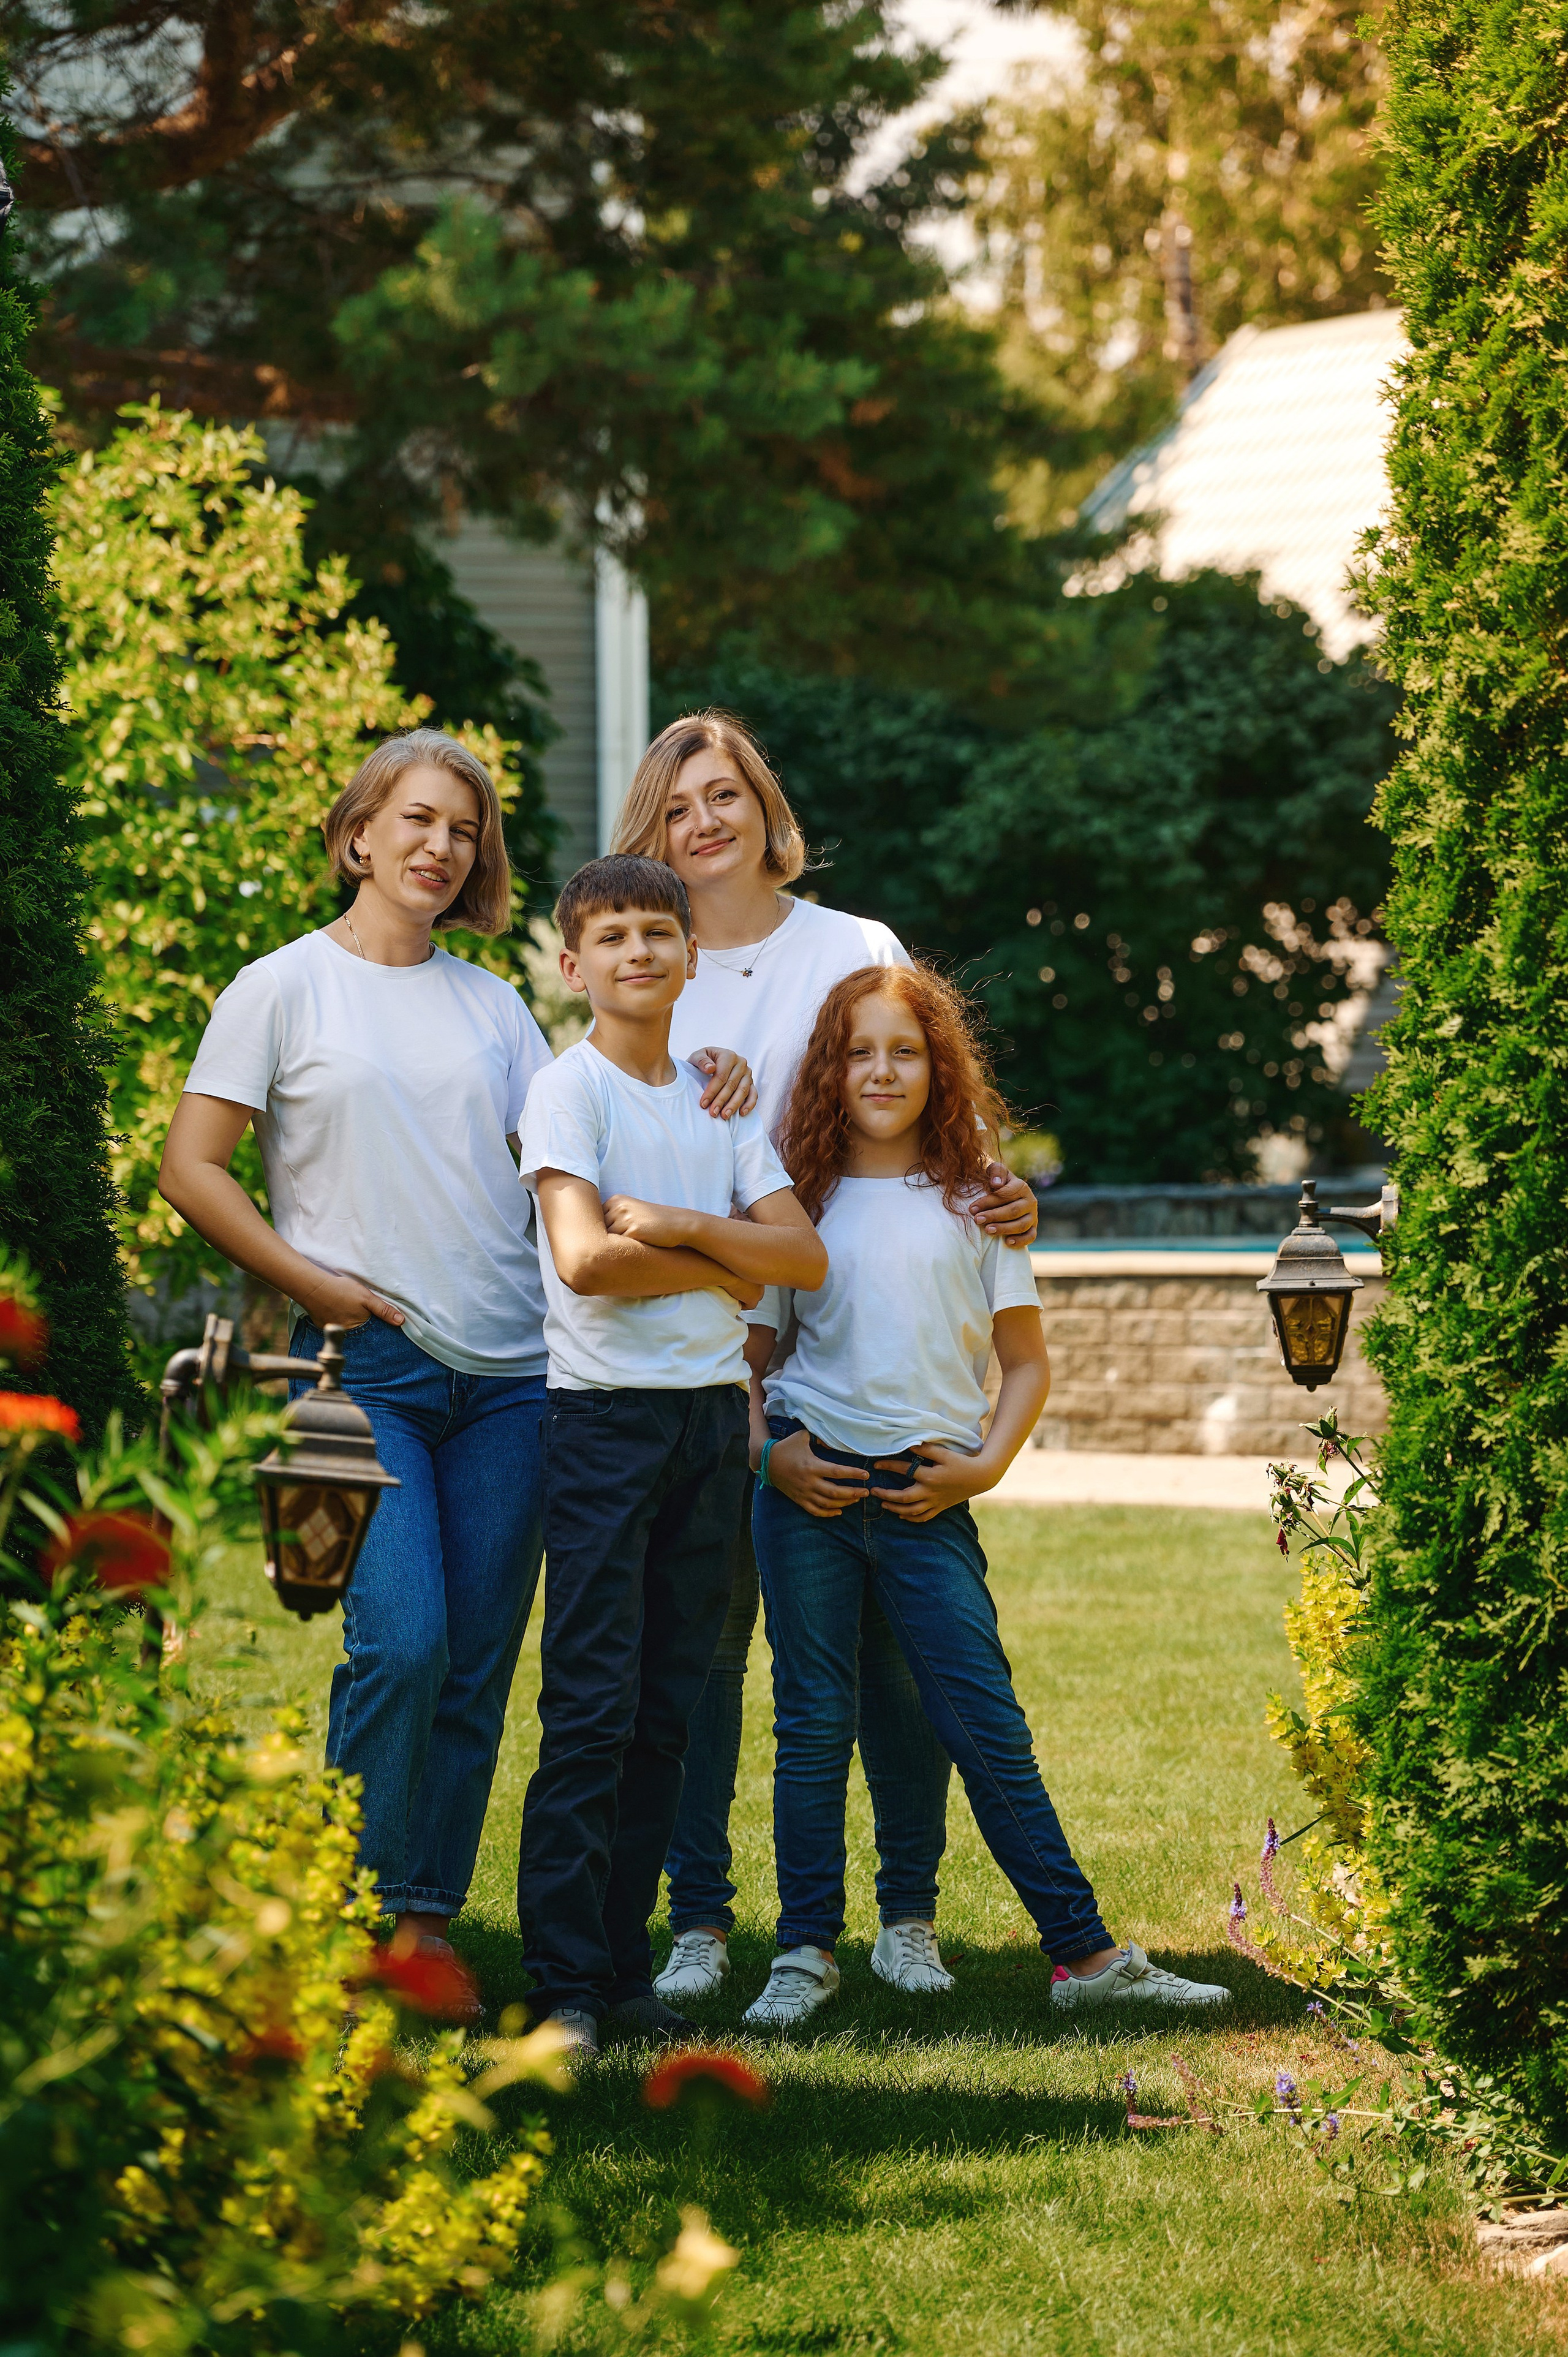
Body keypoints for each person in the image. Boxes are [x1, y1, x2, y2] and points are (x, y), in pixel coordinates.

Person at [157, 732, 755, 1991]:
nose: (441, 846)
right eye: (417, 820)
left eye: (464, 830)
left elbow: (584, 1131)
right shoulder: (279, 989)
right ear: (357, 832)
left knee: (480, 1658)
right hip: (366, 1366)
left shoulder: (492, 1006)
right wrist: (313, 1282)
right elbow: (191, 1167)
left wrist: (702, 1068)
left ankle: (424, 1920)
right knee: (405, 1641)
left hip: (515, 1381)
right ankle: (342, 1911)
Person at [610, 710, 1041, 2005]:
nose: (705, 822)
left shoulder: (851, 946)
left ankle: (903, 1918)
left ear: (763, 808)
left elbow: (927, 1090)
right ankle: (700, 1922)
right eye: (678, 804)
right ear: (652, 829)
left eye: (725, 794)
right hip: (699, 1354)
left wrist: (999, 1192)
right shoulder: (640, 959)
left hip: (858, 1361)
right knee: (700, 1653)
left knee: (895, 1663)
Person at [741, 962, 1232, 2026]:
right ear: (832, 1066)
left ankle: (1087, 1960)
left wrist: (986, 1464)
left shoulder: (979, 1204)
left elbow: (1026, 1364)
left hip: (930, 1495)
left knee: (982, 1722)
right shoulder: (797, 1202)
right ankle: (804, 1952)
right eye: (860, 1050)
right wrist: (767, 1457)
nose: (882, 1070)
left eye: (905, 1051)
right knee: (814, 1724)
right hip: (809, 1492)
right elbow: (752, 1357)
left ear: (938, 1068)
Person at [515, 853, 827, 2056]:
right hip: (603, 1425)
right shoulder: (569, 1091)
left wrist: (701, 1237)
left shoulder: (721, 1100)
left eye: (659, 932)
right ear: (572, 963)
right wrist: (729, 1262)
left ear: (692, 956)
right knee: (588, 1707)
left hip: (708, 1426)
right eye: (613, 936)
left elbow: (800, 1258)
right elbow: (585, 1259)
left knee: (666, 1714)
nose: (639, 951)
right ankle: (559, 1987)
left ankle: (622, 1972)